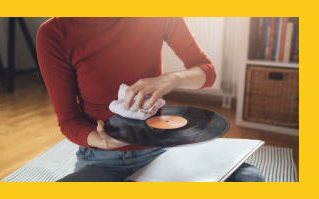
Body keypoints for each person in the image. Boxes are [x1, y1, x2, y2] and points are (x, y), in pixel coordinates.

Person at [36, 17, 264, 182]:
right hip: (100, 160)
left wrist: (171, 79)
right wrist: (101, 140)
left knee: (249, 178)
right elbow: (68, 120)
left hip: (161, 152)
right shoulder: (53, 33)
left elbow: (207, 72)